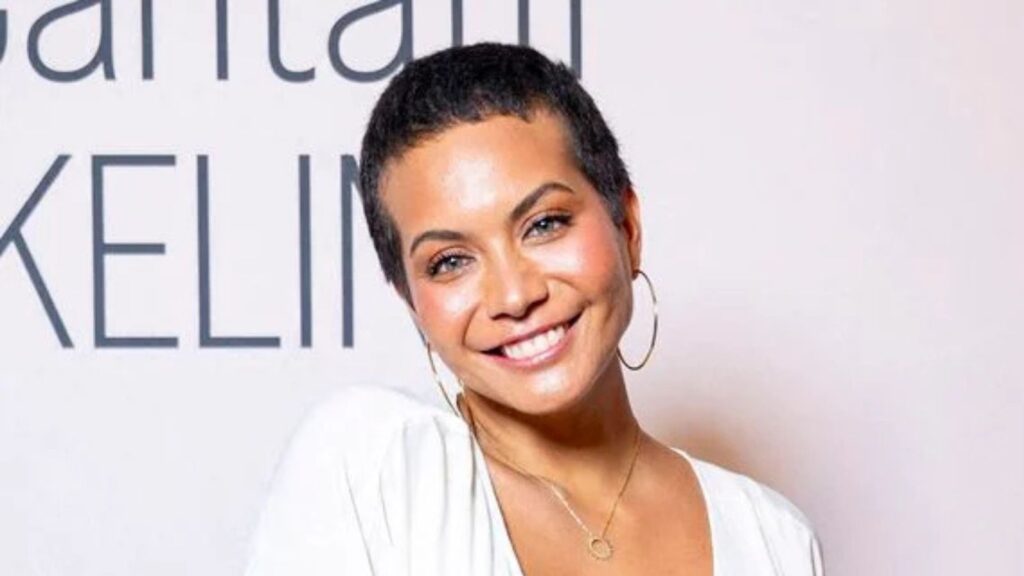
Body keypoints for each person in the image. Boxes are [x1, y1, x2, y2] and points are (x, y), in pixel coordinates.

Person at [245, 43, 824, 575]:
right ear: (411, 301)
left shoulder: (773, 539)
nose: (514, 297)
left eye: (544, 224)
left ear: (627, 226)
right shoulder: (376, 467)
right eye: (450, 261)